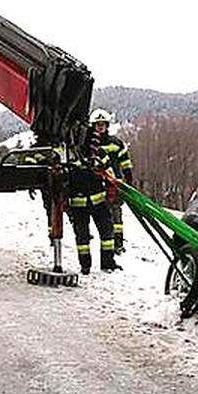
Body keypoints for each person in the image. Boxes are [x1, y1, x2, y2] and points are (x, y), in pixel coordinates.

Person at [67, 119, 118, 275]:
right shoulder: (68, 156)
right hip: (78, 204)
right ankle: (85, 266)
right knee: (83, 238)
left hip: (98, 201)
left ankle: (107, 263)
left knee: (107, 233)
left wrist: (111, 191)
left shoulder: (100, 154)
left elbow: (110, 175)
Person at [89, 109, 134, 252]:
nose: (100, 126)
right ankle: (105, 241)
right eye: (97, 124)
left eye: (103, 124)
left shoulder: (116, 143)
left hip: (114, 183)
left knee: (116, 214)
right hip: (95, 185)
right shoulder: (90, 145)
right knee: (102, 215)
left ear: (107, 125)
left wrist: (128, 180)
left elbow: (125, 162)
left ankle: (118, 243)